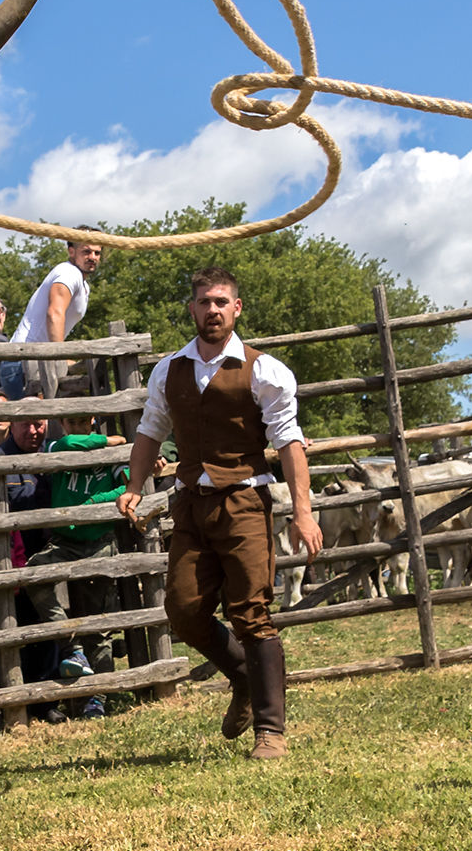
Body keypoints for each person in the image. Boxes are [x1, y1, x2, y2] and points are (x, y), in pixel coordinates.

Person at [118, 267, 322, 760]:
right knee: (184, 612)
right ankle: (245, 678)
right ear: (192, 309)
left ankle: (270, 732)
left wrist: (303, 510)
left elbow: (289, 441)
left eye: (221, 302)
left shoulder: (265, 370)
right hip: (189, 503)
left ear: (237, 309)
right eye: (204, 302)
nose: (212, 310)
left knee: (250, 612)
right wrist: (134, 486)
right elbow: (150, 431)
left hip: (245, 502)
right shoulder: (170, 370)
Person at [32, 373, 129, 721]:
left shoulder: (112, 452)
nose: (76, 427)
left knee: (100, 623)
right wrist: (107, 441)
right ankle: (73, 648)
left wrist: (91, 504)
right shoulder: (57, 447)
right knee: (34, 574)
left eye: (83, 420)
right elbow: (72, 445)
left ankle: (97, 699)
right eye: (70, 421)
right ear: (61, 422)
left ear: (93, 419)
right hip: (65, 541)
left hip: (100, 542)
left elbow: (127, 489)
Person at [5, 235, 104, 400]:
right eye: (86, 251)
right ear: (71, 252)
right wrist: (59, 357)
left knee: (41, 423)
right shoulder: (68, 273)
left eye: (97, 252)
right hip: (23, 362)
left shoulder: (83, 284)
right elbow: (54, 313)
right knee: (26, 424)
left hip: (34, 361)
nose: (92, 257)